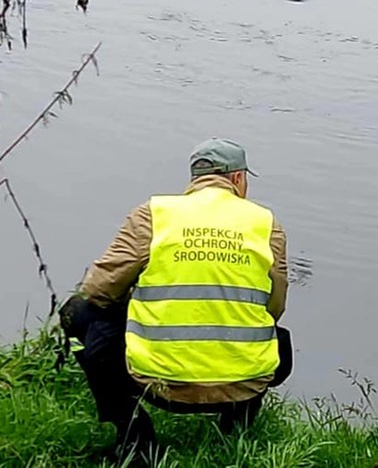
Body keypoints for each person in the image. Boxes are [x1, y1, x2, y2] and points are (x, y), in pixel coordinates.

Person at [60, 138, 292, 462]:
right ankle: (235, 429)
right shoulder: (267, 225)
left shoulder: (153, 215)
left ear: (194, 179)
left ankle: (133, 431)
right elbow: (275, 307)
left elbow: (99, 290)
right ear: (239, 179)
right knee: (275, 336)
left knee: (81, 314)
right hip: (244, 383)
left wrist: (140, 304)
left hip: (158, 385)